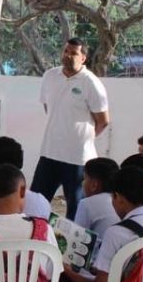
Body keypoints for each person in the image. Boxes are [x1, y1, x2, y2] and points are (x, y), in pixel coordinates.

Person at [32, 38, 110, 220]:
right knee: (35, 204)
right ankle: (35, 244)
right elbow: (48, 108)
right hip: (50, 153)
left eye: (73, 53)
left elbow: (103, 120)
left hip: (78, 159)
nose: (68, 56)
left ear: (83, 58)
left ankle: (71, 248)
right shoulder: (50, 76)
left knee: (76, 211)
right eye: (66, 51)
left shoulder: (91, 83)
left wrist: (84, 138)